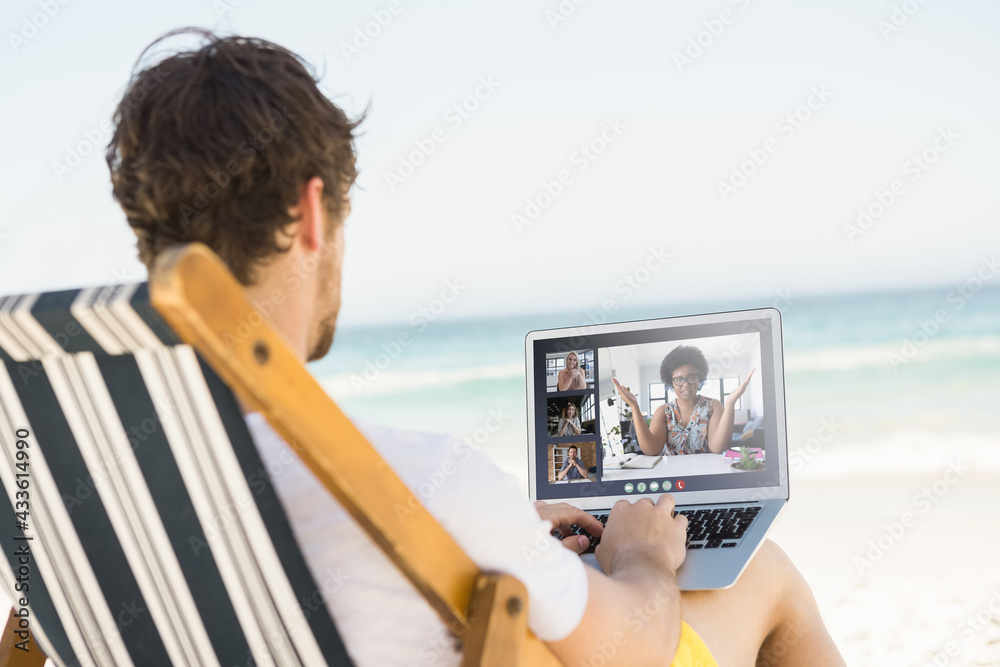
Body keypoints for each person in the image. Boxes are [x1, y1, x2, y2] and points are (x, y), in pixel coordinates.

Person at [106, 28, 845, 666]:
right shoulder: (431, 481)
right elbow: (634, 651)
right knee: (764, 578)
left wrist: (508, 531)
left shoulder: (74, 475)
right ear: (310, 212)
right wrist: (643, 552)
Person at [613, 345, 755, 456]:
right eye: (679, 379)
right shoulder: (663, 412)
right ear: (671, 382)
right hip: (674, 478)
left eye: (691, 377)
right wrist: (634, 407)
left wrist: (730, 404)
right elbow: (652, 450)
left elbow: (718, 448)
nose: (686, 384)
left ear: (699, 379)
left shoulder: (714, 406)